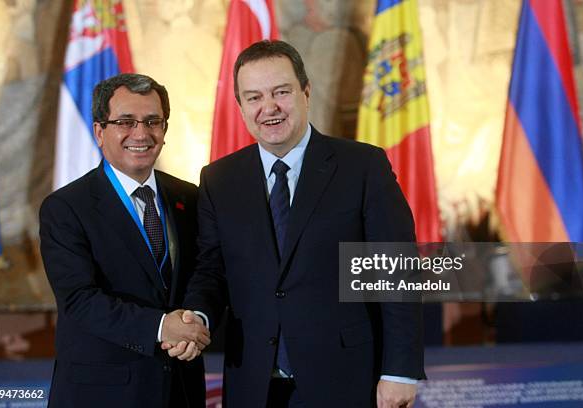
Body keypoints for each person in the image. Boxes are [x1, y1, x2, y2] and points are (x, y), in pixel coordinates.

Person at [167, 41, 425, 407]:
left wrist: (399, 371)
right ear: (240, 107)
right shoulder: (219, 179)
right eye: (253, 97)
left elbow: (397, 271)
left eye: (281, 92)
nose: (268, 108)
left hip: (347, 379)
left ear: (306, 92)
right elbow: (212, 270)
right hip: (253, 383)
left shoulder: (363, 167)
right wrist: (197, 315)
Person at [40, 73, 210, 408]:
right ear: (99, 132)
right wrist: (162, 327)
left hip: (181, 386)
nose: (141, 133)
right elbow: (79, 300)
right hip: (103, 392)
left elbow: (207, 271)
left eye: (152, 121)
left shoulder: (189, 197)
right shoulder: (65, 207)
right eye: (125, 122)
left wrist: (196, 321)